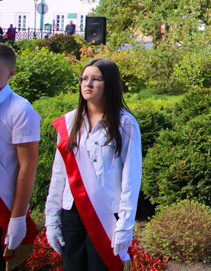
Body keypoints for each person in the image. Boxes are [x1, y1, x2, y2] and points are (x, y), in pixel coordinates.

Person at [45, 59, 142, 271]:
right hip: (71, 214)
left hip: (106, 216)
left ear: (110, 83)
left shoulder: (125, 123)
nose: (88, 84)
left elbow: (131, 178)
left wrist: (125, 226)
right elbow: (59, 175)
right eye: (84, 78)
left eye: (96, 79)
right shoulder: (69, 122)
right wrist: (51, 219)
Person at [0, 42, 40, 263]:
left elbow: (28, 165)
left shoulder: (21, 109)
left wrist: (17, 218)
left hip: (2, 208)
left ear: (11, 73)